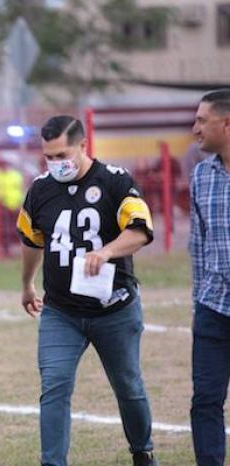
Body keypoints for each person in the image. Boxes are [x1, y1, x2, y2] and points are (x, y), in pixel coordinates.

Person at [17, 116, 157, 466]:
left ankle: (142, 451)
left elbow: (141, 230)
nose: (55, 163)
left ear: (83, 145)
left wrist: (107, 251)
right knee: (54, 387)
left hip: (114, 308)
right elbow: (31, 239)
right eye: (48, 156)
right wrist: (26, 284)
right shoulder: (40, 189)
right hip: (61, 311)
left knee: (128, 387)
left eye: (61, 154)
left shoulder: (115, 181)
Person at [189, 89, 230, 466]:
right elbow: (197, 245)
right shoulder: (201, 175)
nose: (195, 128)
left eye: (202, 120)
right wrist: (199, 299)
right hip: (213, 309)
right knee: (205, 400)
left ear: (226, 124)